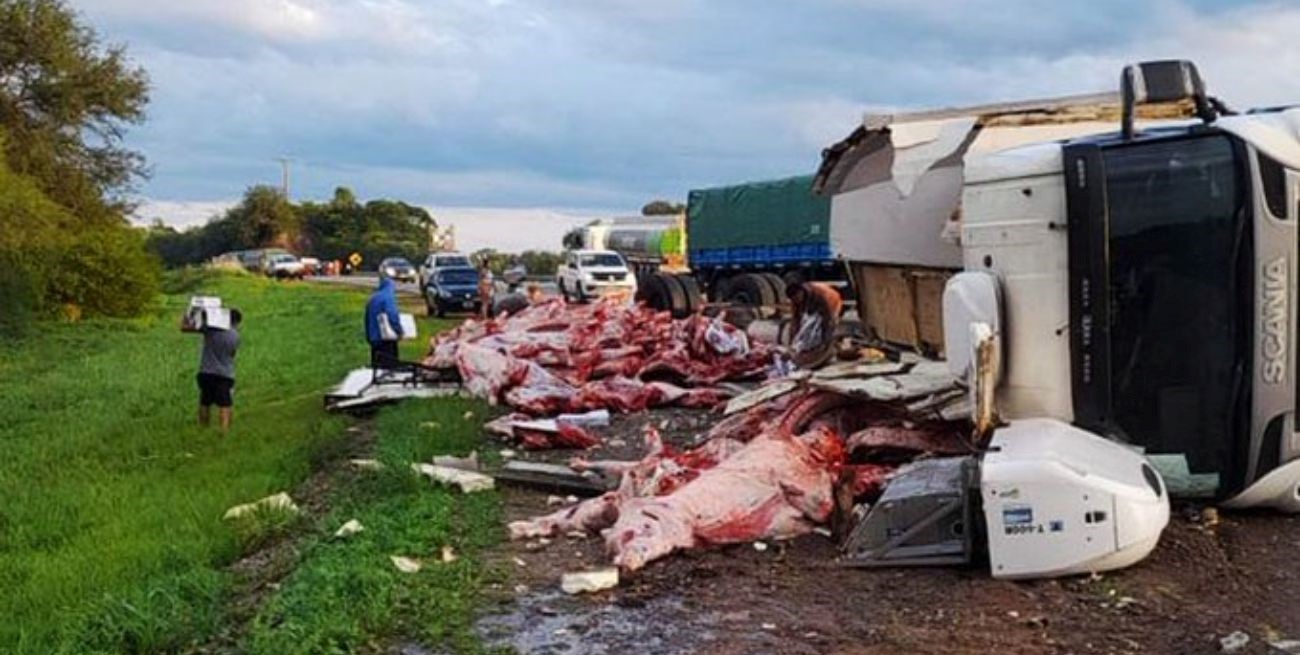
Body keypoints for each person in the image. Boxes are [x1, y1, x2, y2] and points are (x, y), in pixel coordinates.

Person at [195, 308, 242, 433]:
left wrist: (204, 315)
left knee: (204, 402)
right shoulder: (235, 336)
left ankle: (203, 428)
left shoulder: (212, 330)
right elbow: (232, 354)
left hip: (206, 371)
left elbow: (194, 326)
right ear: (237, 322)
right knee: (225, 404)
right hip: (225, 374)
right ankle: (223, 430)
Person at [365, 276, 404, 368]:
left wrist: (369, 336)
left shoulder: (373, 298)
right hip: (386, 339)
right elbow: (392, 315)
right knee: (388, 368)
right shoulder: (388, 298)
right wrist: (398, 330)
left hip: (374, 338)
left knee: (376, 366)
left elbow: (366, 319)